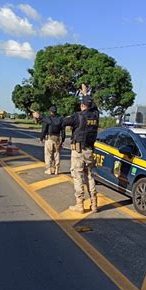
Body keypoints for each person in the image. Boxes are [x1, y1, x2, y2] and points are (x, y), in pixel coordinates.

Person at [33, 84, 99, 214]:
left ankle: (80, 204)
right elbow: (93, 106)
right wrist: (85, 94)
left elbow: (57, 122)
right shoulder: (96, 115)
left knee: (78, 176)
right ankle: (94, 204)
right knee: (90, 176)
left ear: (82, 105)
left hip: (78, 151)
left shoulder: (78, 116)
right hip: (90, 151)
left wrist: (40, 117)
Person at [40, 105, 65, 175]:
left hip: (49, 138)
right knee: (57, 154)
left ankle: (49, 169)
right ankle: (57, 169)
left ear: (50, 111)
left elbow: (44, 129)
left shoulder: (48, 119)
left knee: (48, 155)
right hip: (57, 138)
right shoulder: (60, 119)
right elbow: (63, 131)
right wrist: (62, 140)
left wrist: (41, 138)